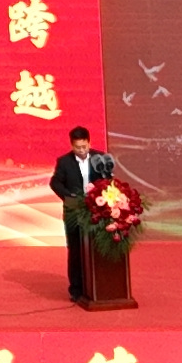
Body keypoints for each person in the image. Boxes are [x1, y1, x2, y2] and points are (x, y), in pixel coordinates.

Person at [51, 123, 133, 308]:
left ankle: (98, 286)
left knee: (97, 247)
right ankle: (76, 289)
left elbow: (109, 180)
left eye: (84, 146)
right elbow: (55, 183)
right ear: (72, 145)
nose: (81, 150)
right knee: (76, 250)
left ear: (89, 142)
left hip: (98, 211)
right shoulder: (64, 162)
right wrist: (68, 196)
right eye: (77, 147)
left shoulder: (100, 158)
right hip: (74, 212)